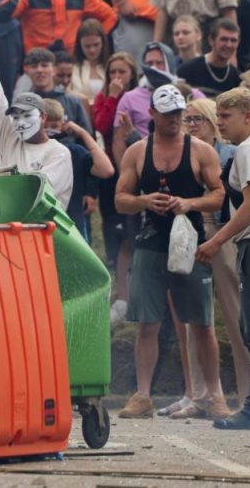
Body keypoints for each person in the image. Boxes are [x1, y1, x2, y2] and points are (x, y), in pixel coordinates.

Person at [114, 84, 229, 420]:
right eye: (168, 115)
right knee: (147, 322)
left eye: (179, 113)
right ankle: (143, 394)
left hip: (189, 243)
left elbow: (220, 194)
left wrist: (189, 202)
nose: (176, 120)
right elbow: (120, 200)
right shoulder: (137, 152)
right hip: (150, 243)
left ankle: (216, 394)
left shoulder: (200, 150)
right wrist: (144, 201)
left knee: (202, 323)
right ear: (152, 114)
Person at [162, 98, 250, 420]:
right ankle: (197, 394)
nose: (192, 124)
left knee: (236, 315)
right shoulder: (182, 152)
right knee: (192, 320)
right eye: (188, 119)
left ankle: (247, 395)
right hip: (188, 234)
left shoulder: (230, 153)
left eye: (199, 118)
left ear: (214, 120)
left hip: (224, 231)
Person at [198, 88, 250, 429]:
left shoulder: (249, 149)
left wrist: (218, 241)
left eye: (226, 117)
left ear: (248, 117)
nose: (220, 123)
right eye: (218, 116)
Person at [93, 52, 139, 318]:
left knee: (132, 228)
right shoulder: (104, 97)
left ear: (132, 74)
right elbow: (100, 124)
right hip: (111, 170)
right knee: (113, 222)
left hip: (135, 169)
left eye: (122, 72)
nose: (117, 77)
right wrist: (112, 96)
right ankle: (117, 281)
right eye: (113, 72)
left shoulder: (139, 98)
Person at [0, 84, 74, 209]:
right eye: (16, 118)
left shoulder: (58, 152)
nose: (21, 123)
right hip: (9, 224)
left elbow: (36, 190)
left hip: (44, 226)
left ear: (43, 117)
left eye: (27, 116)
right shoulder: (10, 138)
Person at [43, 98, 114, 238]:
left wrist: (83, 134)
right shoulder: (25, 151)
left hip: (72, 228)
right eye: (45, 127)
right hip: (42, 227)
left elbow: (107, 170)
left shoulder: (73, 152)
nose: (50, 133)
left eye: (54, 127)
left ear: (63, 126)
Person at [17, 47, 92, 133]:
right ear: (26, 70)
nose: (39, 70)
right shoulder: (22, 105)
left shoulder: (73, 102)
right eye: (34, 66)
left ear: (54, 70)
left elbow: (87, 136)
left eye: (44, 65)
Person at [177, 18, 241, 97]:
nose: (228, 45)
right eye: (224, 39)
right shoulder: (186, 70)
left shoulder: (237, 78)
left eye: (233, 40)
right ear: (211, 40)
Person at [69, 18, 112, 106]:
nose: (92, 50)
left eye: (96, 45)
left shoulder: (112, 67)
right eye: (87, 46)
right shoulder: (72, 69)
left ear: (103, 43)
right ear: (80, 45)